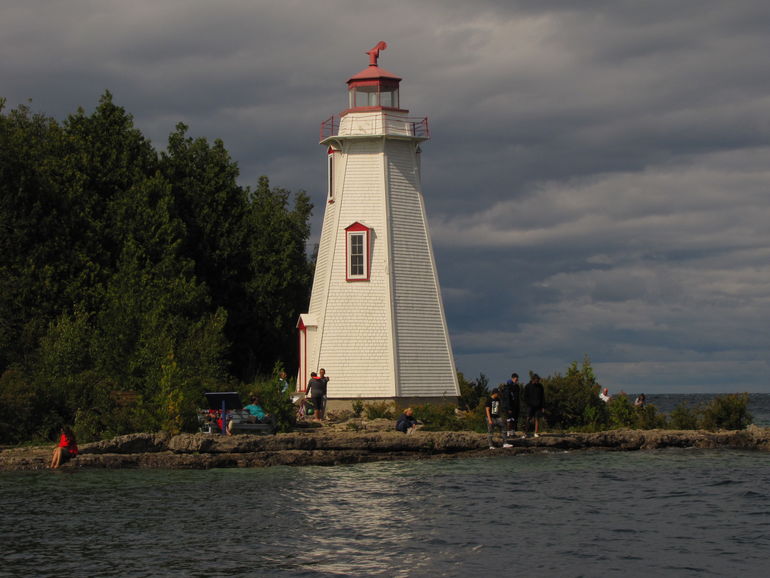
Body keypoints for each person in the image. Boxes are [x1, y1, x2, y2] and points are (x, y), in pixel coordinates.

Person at [501, 373, 521, 440]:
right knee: (509, 420)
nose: (517, 380)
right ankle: (508, 433)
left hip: (515, 406)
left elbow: (517, 398)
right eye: (515, 378)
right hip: (509, 407)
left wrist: (517, 406)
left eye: (517, 378)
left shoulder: (517, 387)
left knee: (514, 420)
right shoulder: (508, 387)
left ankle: (512, 432)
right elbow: (507, 398)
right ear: (512, 378)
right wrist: (509, 408)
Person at [523, 374, 545, 438]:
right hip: (530, 406)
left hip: (538, 406)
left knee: (537, 419)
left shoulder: (540, 386)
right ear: (533, 379)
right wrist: (528, 404)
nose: (538, 381)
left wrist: (543, 406)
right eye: (537, 380)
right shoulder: (527, 386)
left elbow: (542, 397)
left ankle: (536, 432)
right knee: (528, 418)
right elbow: (525, 397)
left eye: (538, 380)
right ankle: (526, 433)